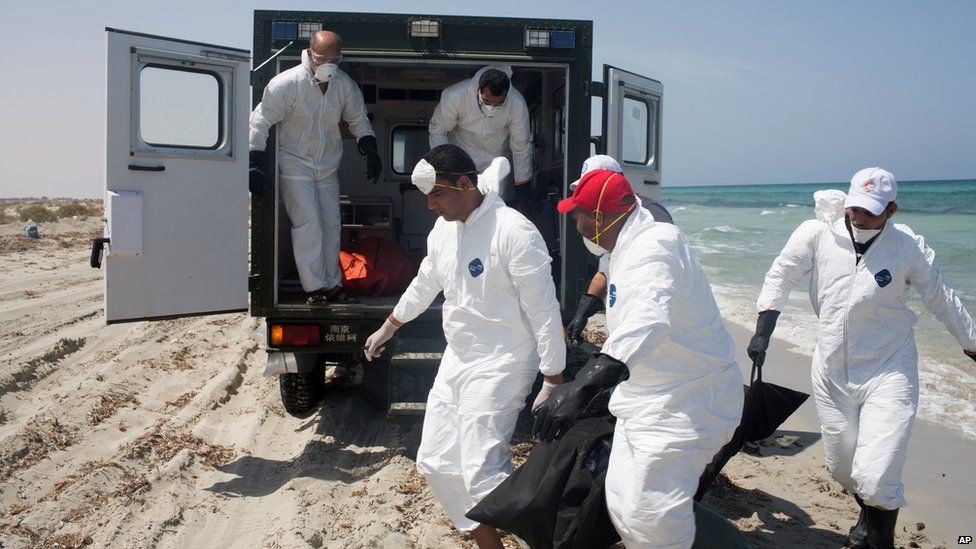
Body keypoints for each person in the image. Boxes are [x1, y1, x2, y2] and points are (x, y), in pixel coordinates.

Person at [749, 167, 976, 549]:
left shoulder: (907, 247)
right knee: (842, 468)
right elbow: (781, 274)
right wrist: (763, 326)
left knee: (876, 474)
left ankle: (879, 539)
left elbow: (941, 297)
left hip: (889, 368)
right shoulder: (818, 234)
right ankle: (868, 512)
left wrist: (971, 343)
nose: (859, 218)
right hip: (831, 370)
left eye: (870, 212)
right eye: (854, 208)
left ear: (891, 210)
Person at [363, 144, 565, 549]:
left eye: (438, 195)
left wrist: (553, 377)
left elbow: (545, 312)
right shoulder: (444, 230)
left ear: (465, 183)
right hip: (458, 359)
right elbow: (425, 283)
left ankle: (542, 541)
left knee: (482, 469)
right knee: (436, 463)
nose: (431, 206)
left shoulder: (514, 231)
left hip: (505, 360)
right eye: (428, 198)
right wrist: (390, 325)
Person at [533, 169, 743, 548]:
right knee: (624, 505)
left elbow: (647, 323)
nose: (575, 223)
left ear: (598, 218)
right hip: (645, 398)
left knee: (651, 514)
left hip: (688, 401)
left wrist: (580, 388)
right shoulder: (624, 245)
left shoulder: (654, 246)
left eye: (577, 215)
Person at [248, 30, 383, 305]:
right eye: (322, 59)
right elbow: (260, 120)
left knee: (332, 223)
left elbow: (358, 118)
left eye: (335, 59)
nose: (328, 65)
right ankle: (314, 288)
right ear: (310, 54)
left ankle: (333, 284)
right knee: (308, 222)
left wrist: (369, 147)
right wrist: (254, 161)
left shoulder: (344, 85)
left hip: (327, 167)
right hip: (295, 164)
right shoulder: (287, 84)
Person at [564, 155, 675, 348]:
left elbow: (656, 294)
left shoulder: (652, 219)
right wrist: (584, 308)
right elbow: (605, 268)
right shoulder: (609, 221)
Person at [428, 66, 534, 215]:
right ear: (478, 89)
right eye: (486, 101)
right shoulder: (456, 95)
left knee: (494, 212)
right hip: (460, 163)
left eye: (498, 104)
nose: (491, 107)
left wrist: (523, 185)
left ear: (506, 94)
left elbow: (521, 146)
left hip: (495, 163)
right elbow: (438, 130)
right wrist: (445, 170)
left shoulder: (516, 103)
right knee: (457, 211)